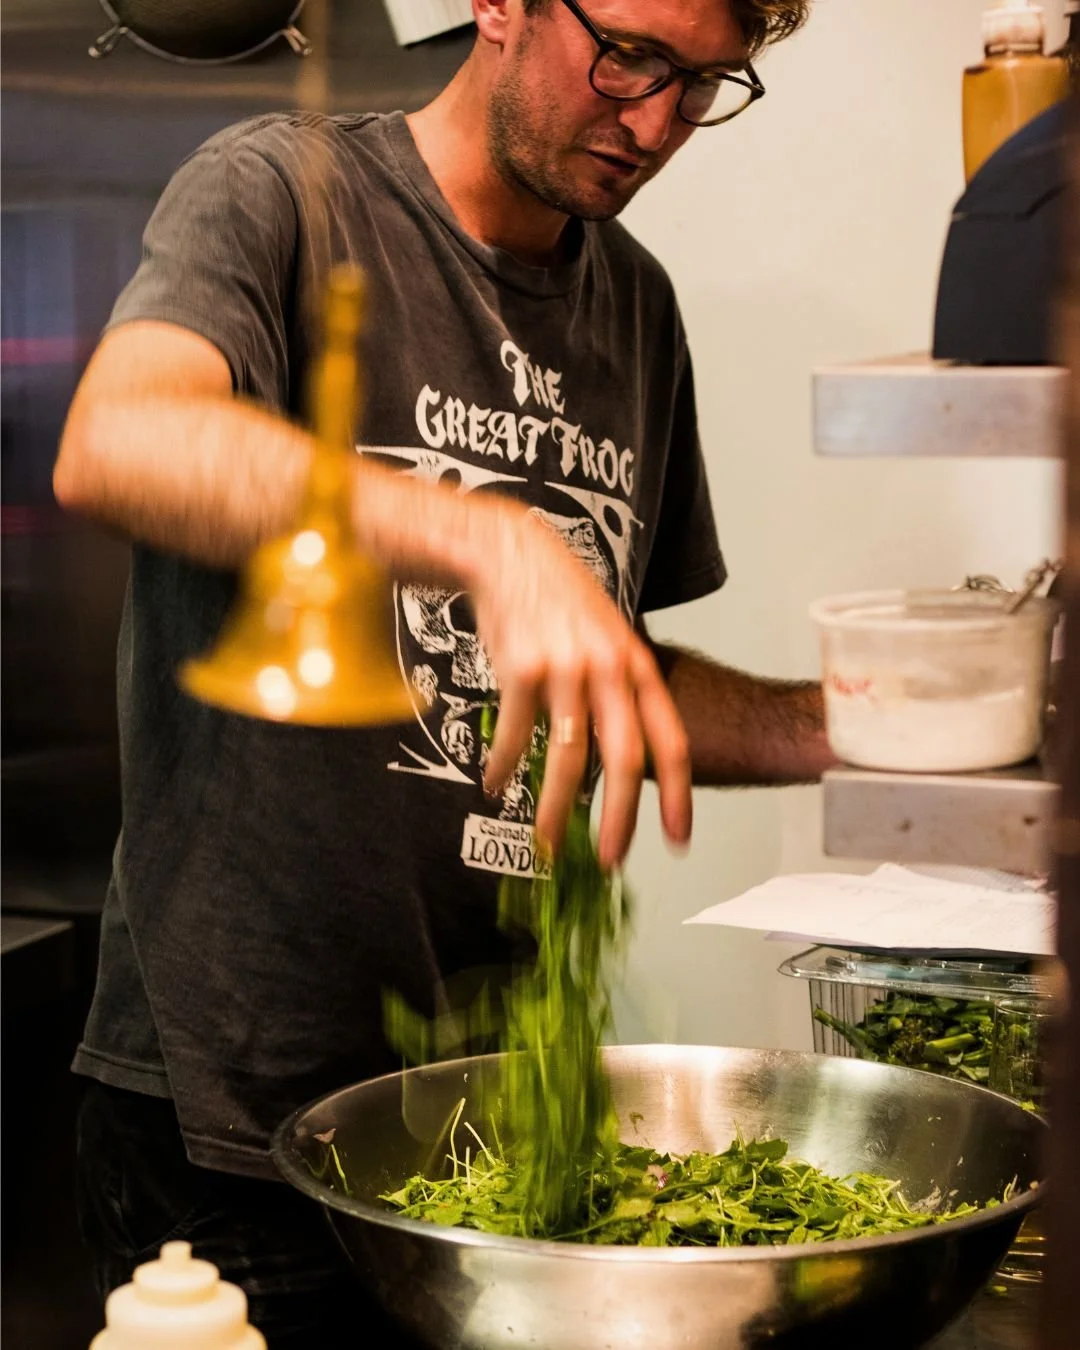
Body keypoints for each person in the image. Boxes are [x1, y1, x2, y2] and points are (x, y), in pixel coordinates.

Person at [54, 0, 824, 1343]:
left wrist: (857, 727)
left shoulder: (634, 304)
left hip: (492, 1114)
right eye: (631, 54)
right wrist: (480, 532)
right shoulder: (279, 193)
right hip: (240, 1117)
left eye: (705, 83)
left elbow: (604, 670)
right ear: (502, 4)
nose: (655, 121)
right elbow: (121, 438)